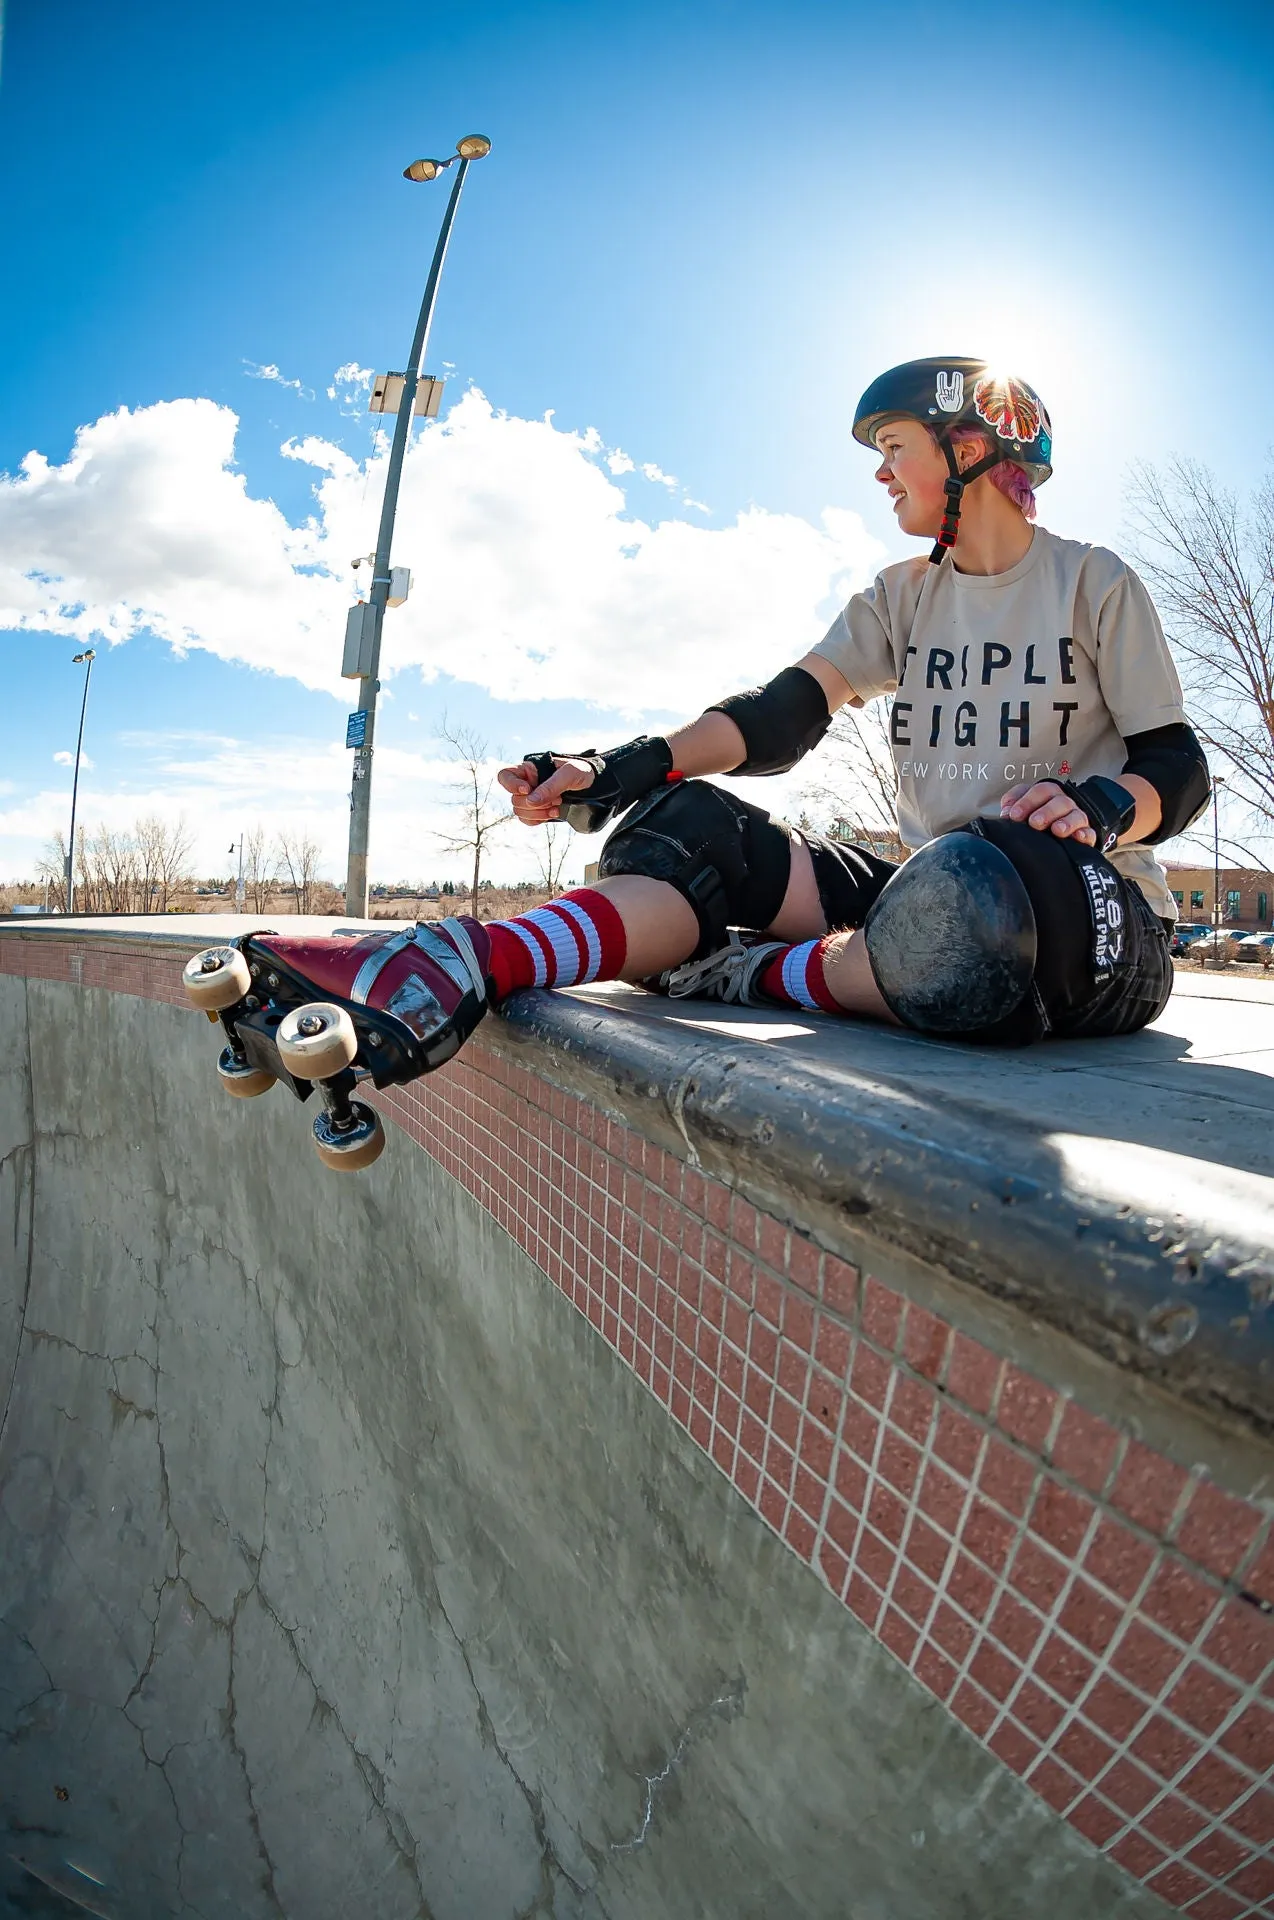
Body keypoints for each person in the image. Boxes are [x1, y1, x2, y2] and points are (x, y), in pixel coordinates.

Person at [371, 356, 1211, 1061]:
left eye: (893, 447)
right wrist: (607, 768)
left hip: (1093, 915)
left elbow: (1178, 766)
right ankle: (474, 960)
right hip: (926, 895)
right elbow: (775, 720)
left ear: (968, 448)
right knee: (679, 827)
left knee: (975, 901)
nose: (880, 473)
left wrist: (1094, 810)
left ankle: (762, 973)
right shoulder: (902, 598)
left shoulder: (1093, 582)